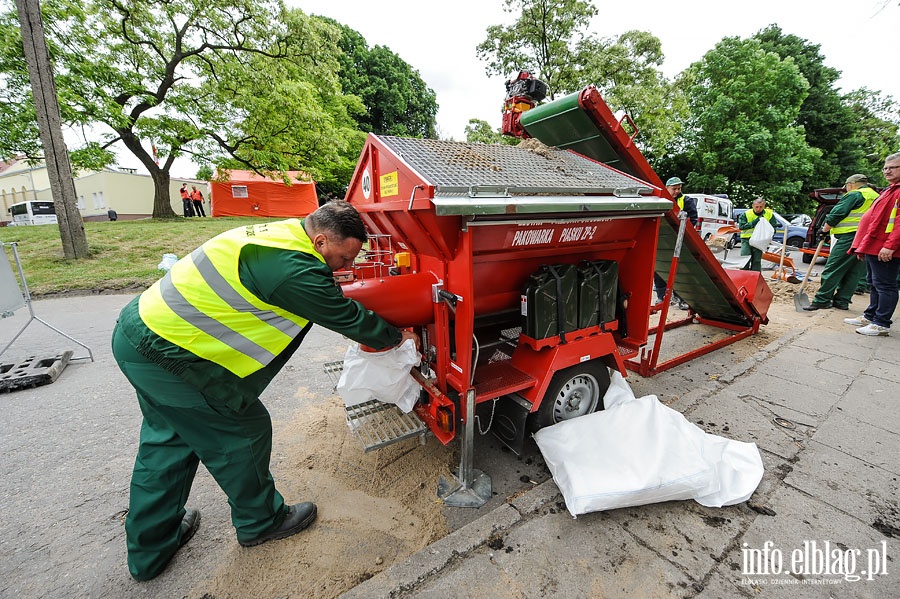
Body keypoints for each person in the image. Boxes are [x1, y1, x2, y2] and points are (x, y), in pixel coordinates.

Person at [111, 200, 418, 580]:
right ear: (321, 240)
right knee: (244, 430)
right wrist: (396, 336)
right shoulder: (295, 271)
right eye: (342, 258)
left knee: (170, 442)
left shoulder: (283, 235)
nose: (346, 268)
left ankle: (151, 549)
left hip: (139, 334)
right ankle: (261, 521)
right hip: (172, 357)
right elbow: (347, 317)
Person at [802, 174, 879, 311]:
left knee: (833, 267)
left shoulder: (855, 194)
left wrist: (824, 231)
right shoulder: (876, 196)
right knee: (854, 271)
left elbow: (836, 214)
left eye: (846, 187)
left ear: (851, 184)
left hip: (850, 237)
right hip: (868, 238)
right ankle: (842, 301)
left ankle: (822, 300)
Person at [844, 153, 900, 336]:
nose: (887, 170)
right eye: (885, 167)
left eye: (892, 167)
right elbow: (875, 220)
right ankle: (871, 316)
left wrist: (890, 245)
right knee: (874, 283)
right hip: (875, 246)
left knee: (885, 285)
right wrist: (863, 246)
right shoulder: (890, 190)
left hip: (885, 247)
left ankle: (881, 323)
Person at [654, 176, 698, 309]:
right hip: (663, 238)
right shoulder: (661, 199)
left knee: (680, 270)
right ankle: (661, 297)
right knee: (660, 268)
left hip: (679, 238)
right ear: (667, 188)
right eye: (674, 188)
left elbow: (693, 219)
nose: (677, 191)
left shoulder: (686, 200)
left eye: (679, 188)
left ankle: (682, 299)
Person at [737, 197, 779, 272]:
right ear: (753, 205)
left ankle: (755, 276)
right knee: (745, 259)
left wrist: (770, 237)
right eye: (757, 207)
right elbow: (742, 226)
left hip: (760, 241)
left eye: (761, 207)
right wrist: (754, 222)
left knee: (756, 261)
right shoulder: (746, 214)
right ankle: (744, 275)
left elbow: (773, 227)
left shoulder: (769, 214)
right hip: (746, 239)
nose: (758, 209)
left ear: (764, 206)